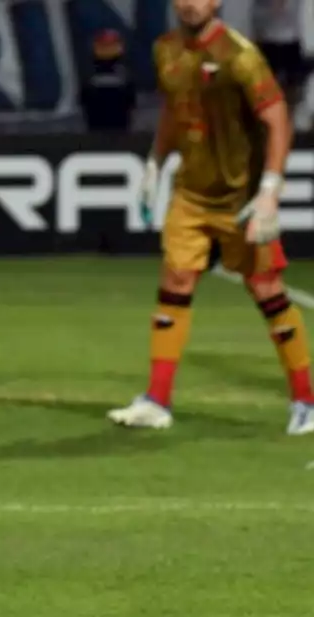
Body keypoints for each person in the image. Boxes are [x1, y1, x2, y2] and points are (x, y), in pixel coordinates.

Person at [109, 0, 314, 434]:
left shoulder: (239, 55)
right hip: (192, 192)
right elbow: (174, 107)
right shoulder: (165, 49)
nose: (189, 3)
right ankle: (157, 401)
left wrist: (270, 192)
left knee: (267, 290)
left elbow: (278, 120)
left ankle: (306, 401)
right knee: (175, 282)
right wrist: (155, 162)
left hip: (240, 197)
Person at [79, 29, 136, 132]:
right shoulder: (125, 78)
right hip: (116, 130)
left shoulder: (89, 80)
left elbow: (82, 101)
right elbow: (131, 102)